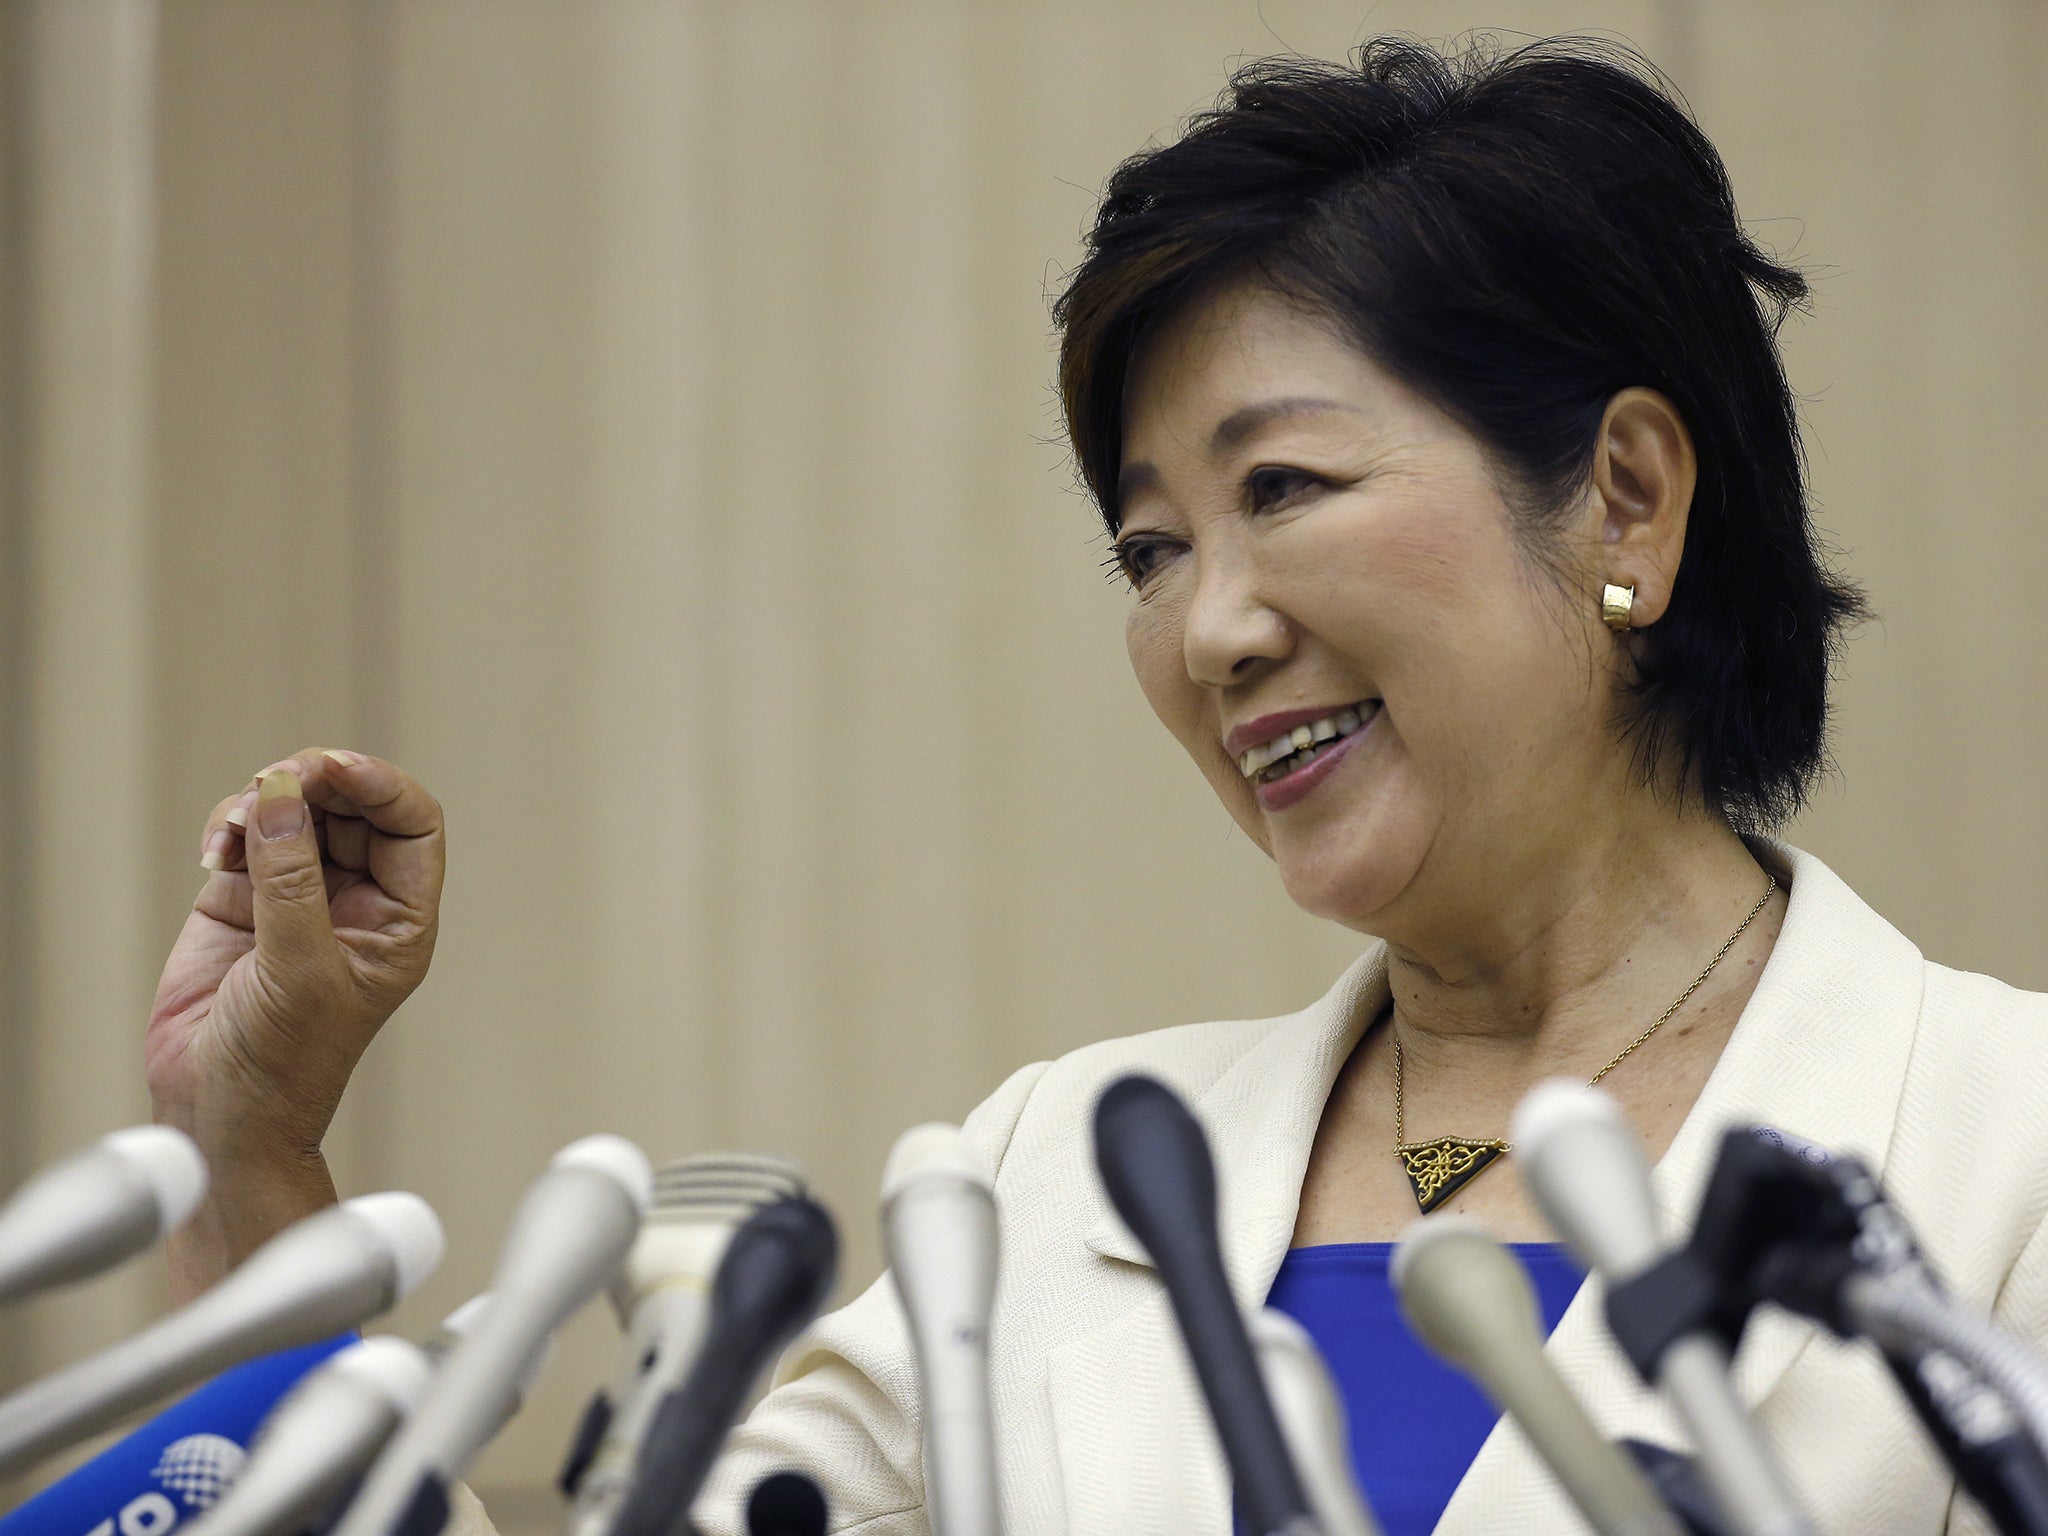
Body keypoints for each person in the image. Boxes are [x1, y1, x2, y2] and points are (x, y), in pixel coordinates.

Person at [145, 35, 2048, 1536]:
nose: (1211, 630)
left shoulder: (2003, 1156)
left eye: (1282, 490)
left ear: (1628, 495)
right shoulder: (1056, 1174)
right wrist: (259, 1155)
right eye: (1150, 552)